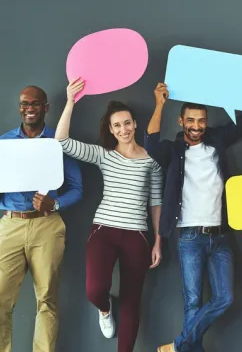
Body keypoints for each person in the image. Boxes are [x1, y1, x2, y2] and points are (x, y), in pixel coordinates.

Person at [148, 62, 242, 352]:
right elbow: (150, 142)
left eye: (201, 121)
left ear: (206, 122)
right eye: (190, 120)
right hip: (189, 236)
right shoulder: (173, 150)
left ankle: (178, 345)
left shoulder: (216, 139)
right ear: (181, 121)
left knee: (225, 298)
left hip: (220, 235)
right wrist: (159, 104)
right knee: (192, 300)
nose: (196, 126)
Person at [0, 86, 83, 352]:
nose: (30, 108)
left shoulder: (57, 143)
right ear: (20, 107)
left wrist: (54, 203)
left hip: (47, 225)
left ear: (46, 107)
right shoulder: (3, 143)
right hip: (10, 225)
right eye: (25, 103)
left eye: (36, 103)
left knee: (47, 299)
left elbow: (78, 188)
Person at [54, 79, 163, 352]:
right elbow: (62, 141)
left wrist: (158, 240)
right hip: (104, 231)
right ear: (111, 130)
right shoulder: (104, 155)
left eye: (127, 123)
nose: (123, 129)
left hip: (137, 235)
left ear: (135, 124)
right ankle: (104, 308)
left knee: (131, 301)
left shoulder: (152, 159)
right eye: (117, 125)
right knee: (94, 290)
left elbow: (157, 202)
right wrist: (70, 101)